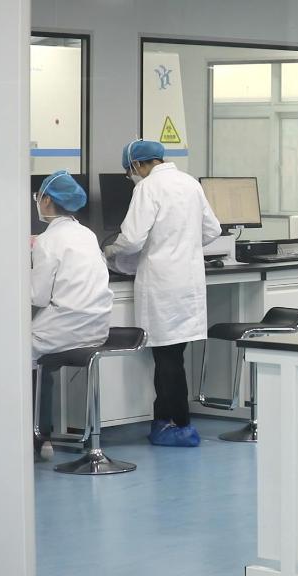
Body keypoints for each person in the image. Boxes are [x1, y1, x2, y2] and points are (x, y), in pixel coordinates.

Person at [105, 140, 222, 447]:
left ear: (137, 164)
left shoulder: (147, 188)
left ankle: (181, 426)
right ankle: (164, 421)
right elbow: (212, 230)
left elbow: (132, 240)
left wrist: (111, 252)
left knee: (167, 359)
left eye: (129, 170)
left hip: (162, 283)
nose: (131, 176)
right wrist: (184, 244)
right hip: (188, 282)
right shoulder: (189, 183)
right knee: (172, 355)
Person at [31, 170, 113, 460]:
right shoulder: (87, 234)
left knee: (23, 356)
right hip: (96, 328)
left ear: (47, 200)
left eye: (38, 196)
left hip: (64, 329)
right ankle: (46, 438)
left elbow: (38, 296)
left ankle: (39, 438)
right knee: (39, 356)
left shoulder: (47, 241)